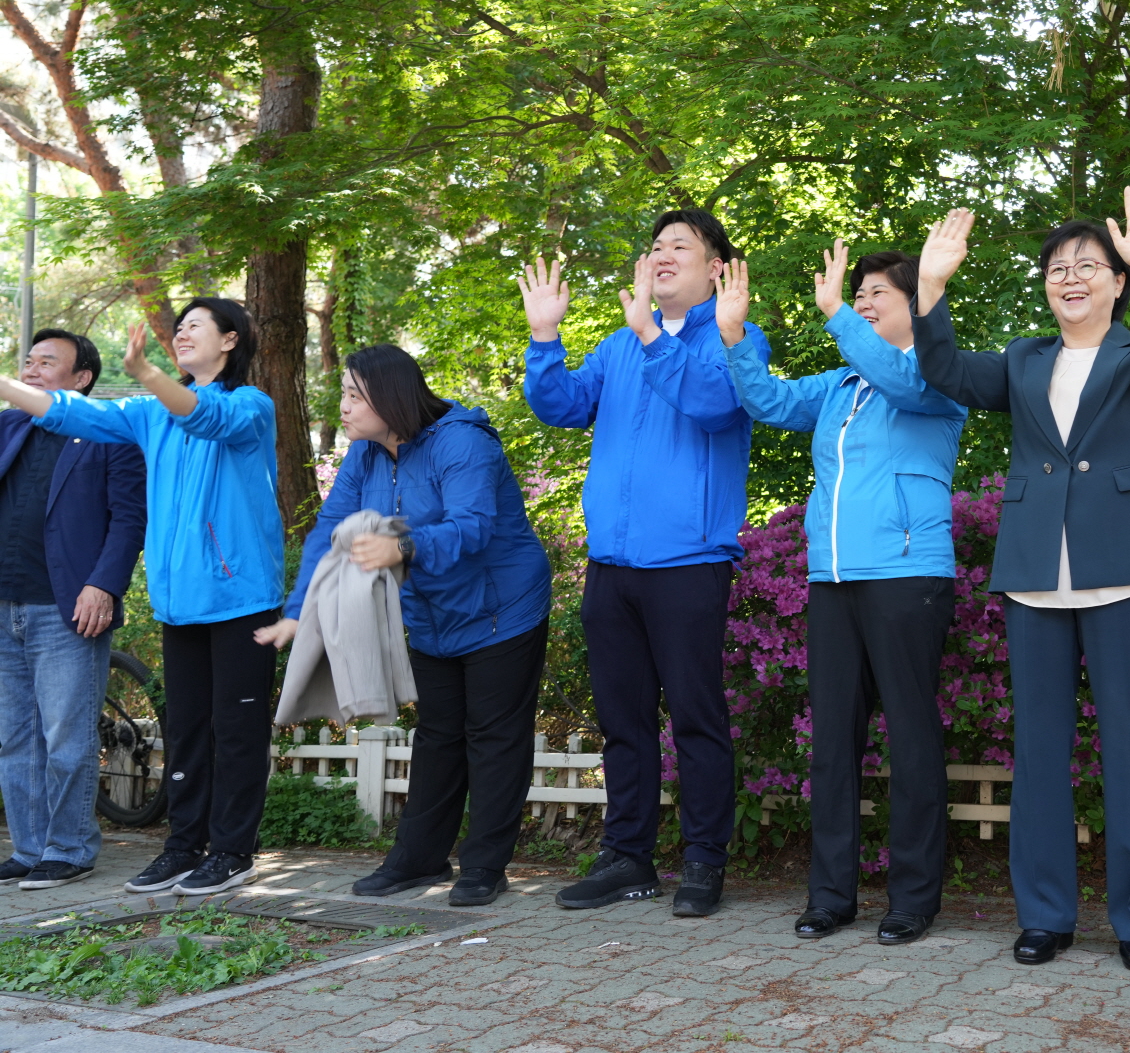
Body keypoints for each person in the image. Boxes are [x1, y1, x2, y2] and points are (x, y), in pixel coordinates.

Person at [911, 186, 1130, 973]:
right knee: (1039, 754)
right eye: (1056, 268)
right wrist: (931, 289)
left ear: (1114, 281)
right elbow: (942, 369)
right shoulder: (1022, 359)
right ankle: (1045, 915)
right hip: (1038, 579)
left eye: (1087, 266)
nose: (1069, 276)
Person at [716, 241, 967, 944]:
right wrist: (734, 335)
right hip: (832, 581)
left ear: (914, 305)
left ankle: (913, 899)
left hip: (907, 576)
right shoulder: (838, 387)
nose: (860, 304)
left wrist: (834, 315)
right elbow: (766, 399)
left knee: (912, 741)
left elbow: (908, 384)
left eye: (874, 296)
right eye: (855, 296)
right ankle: (830, 895)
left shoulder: (936, 374)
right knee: (833, 745)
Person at [519, 209, 766, 917]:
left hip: (689, 563)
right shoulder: (619, 345)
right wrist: (545, 336)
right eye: (655, 246)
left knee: (695, 717)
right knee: (623, 721)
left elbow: (715, 404)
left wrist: (653, 336)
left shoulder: (732, 336)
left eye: (679, 247)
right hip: (612, 566)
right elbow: (561, 405)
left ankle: (703, 861)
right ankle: (627, 856)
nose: (661, 256)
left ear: (716, 267)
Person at [0, 300, 285, 895]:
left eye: (195, 327)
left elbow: (206, 417)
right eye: (177, 327)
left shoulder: (250, 406)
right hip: (179, 602)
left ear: (230, 340)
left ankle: (232, 851)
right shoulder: (150, 413)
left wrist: (149, 373)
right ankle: (182, 848)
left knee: (235, 731)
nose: (181, 334)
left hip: (241, 597)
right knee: (184, 730)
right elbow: (66, 411)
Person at [256, 345, 553, 907]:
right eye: (342, 393)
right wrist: (298, 611)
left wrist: (404, 545)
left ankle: (485, 867)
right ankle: (417, 860)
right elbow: (328, 532)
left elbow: (474, 526)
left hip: (502, 609)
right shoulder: (365, 455)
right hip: (432, 616)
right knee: (439, 736)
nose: (341, 406)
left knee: (493, 737)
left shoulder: (461, 441)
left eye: (352, 395)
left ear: (390, 397)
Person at [0, 330, 146, 890]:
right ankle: (30, 847)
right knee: (16, 736)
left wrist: (104, 585)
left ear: (81, 378)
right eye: (28, 361)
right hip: (6, 601)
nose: (31, 370)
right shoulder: (10, 425)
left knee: (66, 735)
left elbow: (130, 518)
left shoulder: (109, 434)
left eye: (47, 362)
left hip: (67, 606)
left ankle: (69, 848)